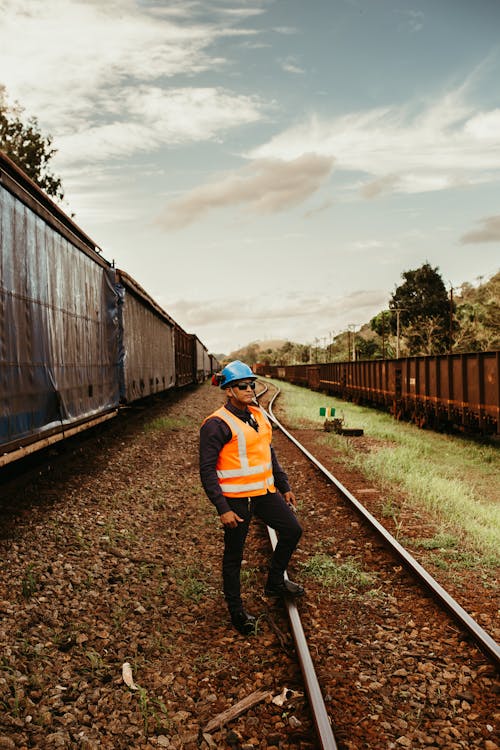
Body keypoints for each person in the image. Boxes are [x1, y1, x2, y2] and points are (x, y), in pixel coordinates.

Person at [199, 360, 304, 636]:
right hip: (236, 500)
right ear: (229, 391)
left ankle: (274, 582)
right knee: (234, 556)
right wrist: (222, 508)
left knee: (292, 530)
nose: (249, 389)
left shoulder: (258, 415)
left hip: (264, 493)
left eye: (251, 384)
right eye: (242, 386)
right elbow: (207, 470)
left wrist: (284, 485)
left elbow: (268, 452)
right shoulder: (216, 424)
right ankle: (237, 612)